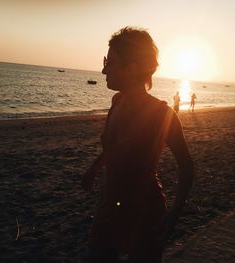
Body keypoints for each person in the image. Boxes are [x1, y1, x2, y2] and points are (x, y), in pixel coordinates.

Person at [82, 27, 194, 263]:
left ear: (132, 68)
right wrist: (94, 169)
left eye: (110, 62)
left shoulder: (161, 114)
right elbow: (113, 147)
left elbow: (186, 165)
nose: (103, 69)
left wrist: (174, 214)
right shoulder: (117, 101)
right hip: (109, 206)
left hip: (145, 212)